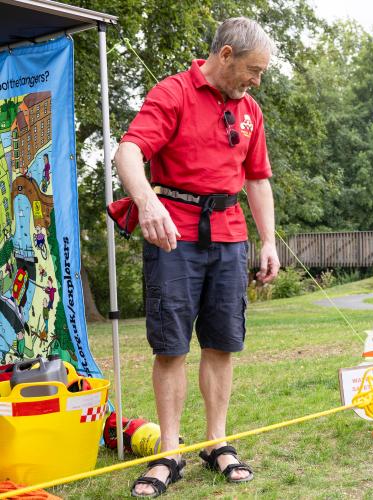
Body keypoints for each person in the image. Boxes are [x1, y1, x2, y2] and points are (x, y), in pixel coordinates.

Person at [114, 17, 280, 497]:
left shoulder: (250, 109)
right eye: (252, 69)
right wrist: (147, 203)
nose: (256, 80)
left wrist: (267, 240)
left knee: (222, 342)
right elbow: (128, 151)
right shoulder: (173, 93)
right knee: (170, 346)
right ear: (225, 55)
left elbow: (257, 178)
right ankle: (169, 451)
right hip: (174, 238)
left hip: (230, 236)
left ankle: (217, 441)